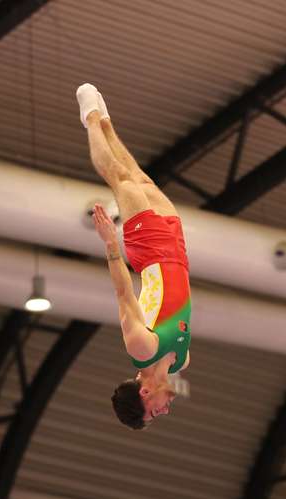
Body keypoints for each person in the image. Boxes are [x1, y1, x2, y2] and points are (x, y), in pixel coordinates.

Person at [76, 83, 191, 430]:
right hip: (176, 253)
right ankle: (107, 122)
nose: (164, 410)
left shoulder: (142, 348)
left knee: (119, 178)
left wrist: (112, 245)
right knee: (140, 178)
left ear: (144, 394)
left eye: (155, 412)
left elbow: (124, 293)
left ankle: (90, 116)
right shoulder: (180, 362)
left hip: (150, 252)